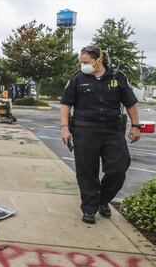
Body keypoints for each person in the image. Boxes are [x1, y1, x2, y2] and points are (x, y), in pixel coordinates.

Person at [60, 45, 141, 224]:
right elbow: (66, 104)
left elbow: (130, 104)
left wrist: (136, 126)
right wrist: (64, 127)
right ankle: (89, 208)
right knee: (87, 171)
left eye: (86, 62)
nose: (83, 65)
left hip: (112, 131)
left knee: (118, 168)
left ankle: (102, 199)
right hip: (85, 131)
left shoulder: (117, 77)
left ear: (99, 60)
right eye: (81, 62)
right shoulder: (77, 78)